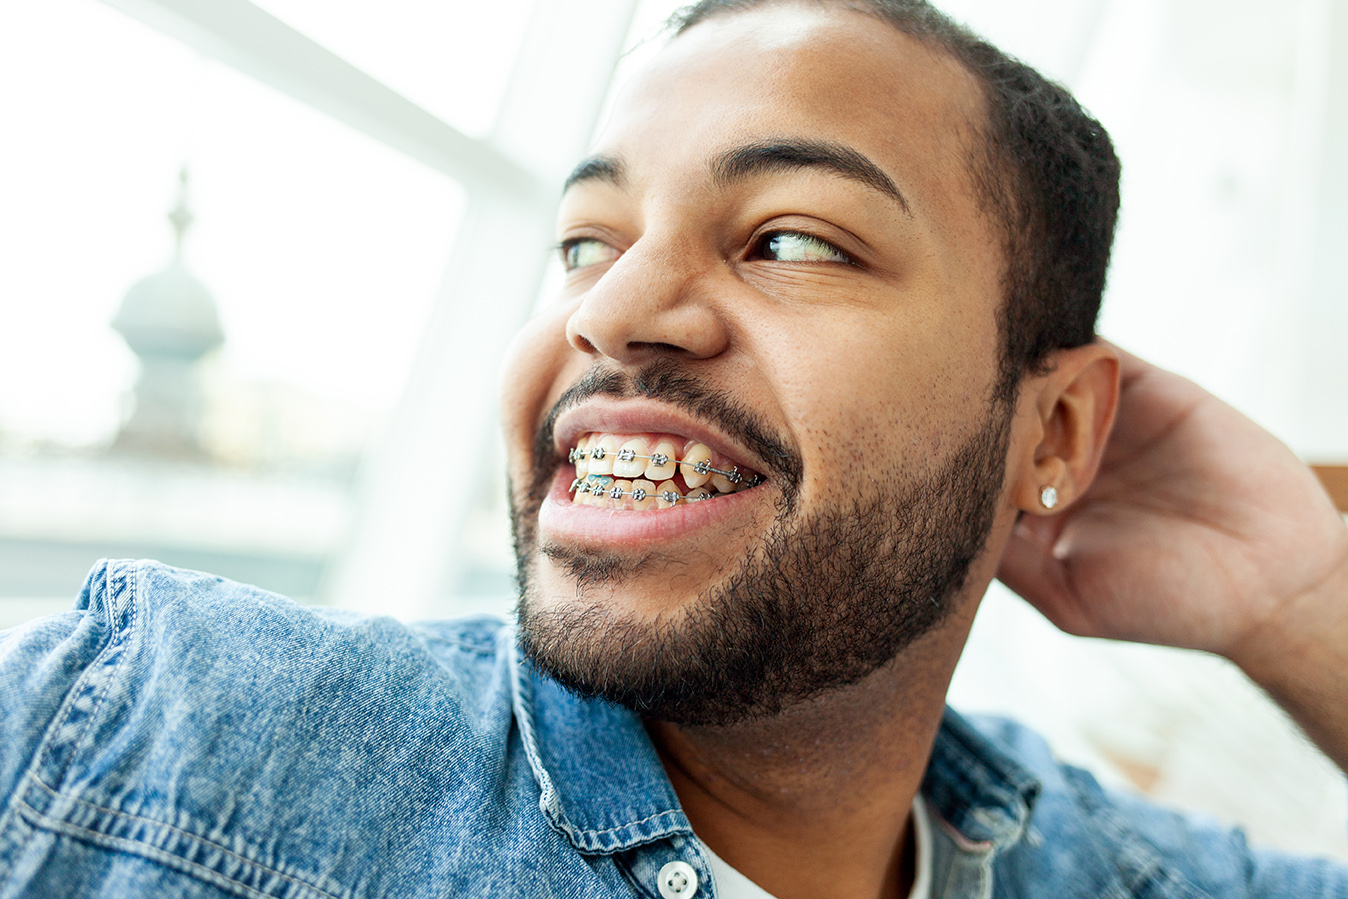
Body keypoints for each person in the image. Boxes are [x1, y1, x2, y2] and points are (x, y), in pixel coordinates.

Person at [2, 1, 1346, 897]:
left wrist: (1299, 605)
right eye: (588, 239)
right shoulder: (146, 730)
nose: (608, 311)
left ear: (1051, 428)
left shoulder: (1114, 873)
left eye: (792, 240)